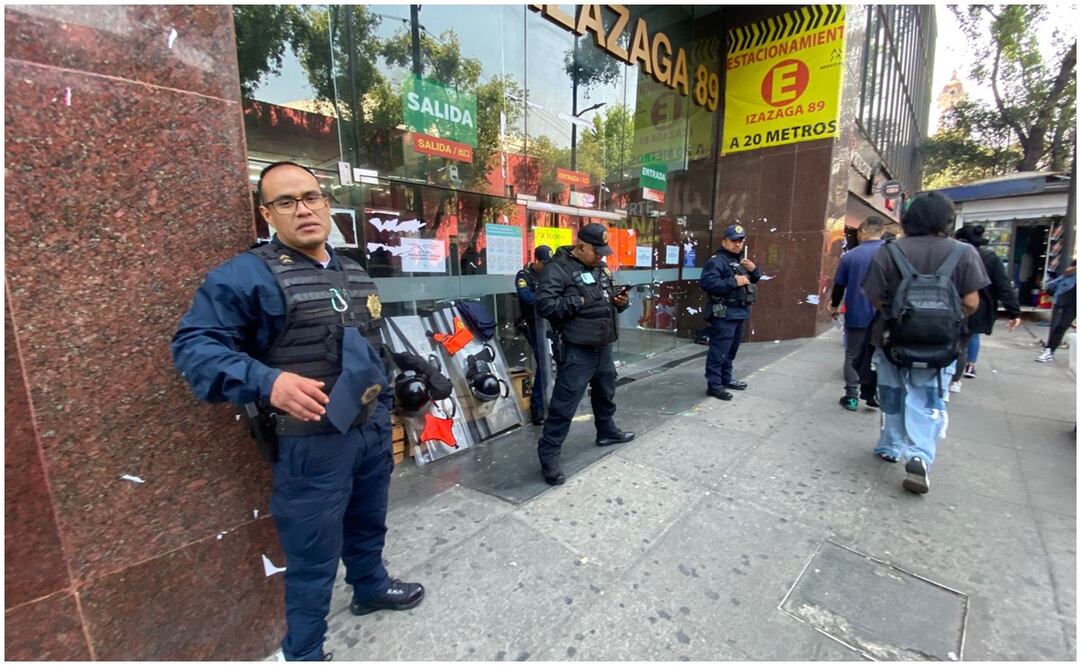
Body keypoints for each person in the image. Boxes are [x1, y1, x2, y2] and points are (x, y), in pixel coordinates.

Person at [171, 162, 424, 661]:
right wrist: (269, 381)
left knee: (370, 520)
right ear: (267, 214)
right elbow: (193, 345)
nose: (302, 209)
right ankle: (305, 651)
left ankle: (370, 587)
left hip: (369, 428)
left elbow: (368, 342)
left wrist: (409, 381)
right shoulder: (247, 275)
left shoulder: (351, 269)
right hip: (311, 443)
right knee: (312, 556)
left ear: (327, 203)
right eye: (286, 202)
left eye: (310, 197)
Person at [861, 191, 989, 494]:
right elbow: (972, 301)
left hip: (893, 338)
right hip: (940, 344)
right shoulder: (963, 252)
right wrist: (944, 319)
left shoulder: (889, 251)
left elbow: (874, 295)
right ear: (947, 220)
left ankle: (890, 445)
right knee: (928, 397)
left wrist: (898, 316)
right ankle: (919, 455)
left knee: (891, 392)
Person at [534, 223, 635, 485]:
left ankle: (606, 431)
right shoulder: (557, 269)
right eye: (597, 251)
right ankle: (549, 455)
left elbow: (607, 295)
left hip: (602, 346)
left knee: (606, 393)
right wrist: (578, 301)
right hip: (577, 349)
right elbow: (544, 305)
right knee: (564, 406)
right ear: (580, 246)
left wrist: (619, 302)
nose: (601, 256)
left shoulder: (600, 268)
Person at [950, 225, 1021, 388]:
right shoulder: (990, 257)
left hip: (955, 305)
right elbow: (1003, 285)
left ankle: (952, 374)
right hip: (980, 307)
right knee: (967, 339)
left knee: (956, 341)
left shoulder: (953, 255)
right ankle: (963, 372)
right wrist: (1014, 312)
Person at [829, 216, 887, 411]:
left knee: (852, 355)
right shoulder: (892, 253)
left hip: (857, 314)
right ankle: (874, 394)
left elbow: (839, 285)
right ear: (882, 231)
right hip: (884, 317)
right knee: (880, 355)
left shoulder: (851, 256)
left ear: (862, 231)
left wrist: (834, 306)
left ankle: (852, 396)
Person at [699, 224, 763, 400]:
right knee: (719, 349)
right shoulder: (717, 261)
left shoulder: (740, 261)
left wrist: (753, 270)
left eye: (741, 241)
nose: (738, 244)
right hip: (724, 312)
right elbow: (707, 284)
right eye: (734, 240)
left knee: (731, 349)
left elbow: (752, 280)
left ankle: (726, 378)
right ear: (724, 241)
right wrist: (733, 282)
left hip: (739, 311)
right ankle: (714, 385)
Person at [516, 245, 553, 425]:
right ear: (536, 261)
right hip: (533, 325)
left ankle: (546, 403)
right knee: (543, 364)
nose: (547, 267)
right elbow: (527, 298)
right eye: (544, 263)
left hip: (547, 324)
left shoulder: (547, 275)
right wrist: (547, 295)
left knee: (549, 363)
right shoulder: (524, 276)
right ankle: (537, 408)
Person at [1036, 259, 1076, 363]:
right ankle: (1050, 350)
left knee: (1062, 325)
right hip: (1071, 299)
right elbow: (1068, 271)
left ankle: (1049, 350)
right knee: (1062, 325)